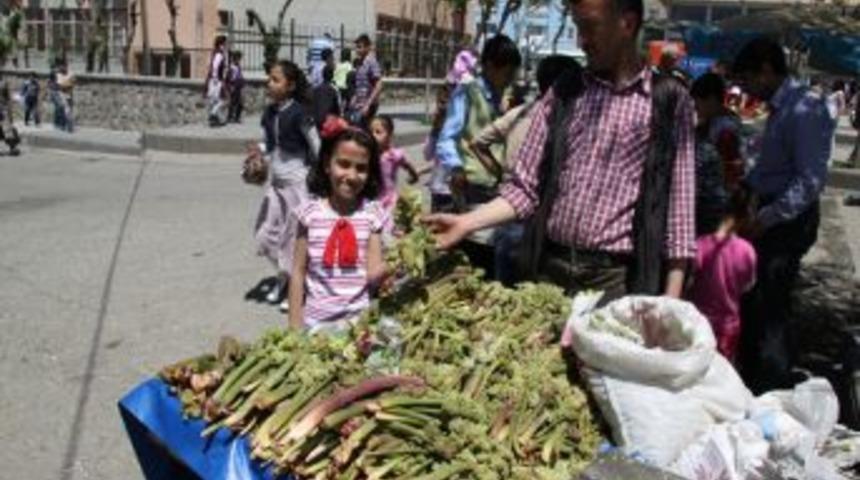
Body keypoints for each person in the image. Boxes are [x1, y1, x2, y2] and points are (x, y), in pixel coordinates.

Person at [426, 0, 696, 302]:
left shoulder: (669, 101)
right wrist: (466, 222)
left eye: (590, 27)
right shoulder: (564, 91)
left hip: (613, 282)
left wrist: (670, 302)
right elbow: (524, 189)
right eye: (578, 27)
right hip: (548, 271)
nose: (582, 40)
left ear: (627, 24)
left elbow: (679, 215)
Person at [733, 37, 836, 393]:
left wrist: (768, 218)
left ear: (766, 70)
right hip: (770, 209)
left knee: (770, 304)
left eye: (747, 80)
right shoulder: (780, 107)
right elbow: (773, 165)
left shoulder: (805, 108)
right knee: (758, 300)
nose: (745, 89)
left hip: (788, 220)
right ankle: (763, 372)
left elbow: (809, 181)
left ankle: (771, 383)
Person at [470, 55, 581, 285]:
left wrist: (500, 173)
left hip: (509, 213)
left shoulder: (520, 112)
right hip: (536, 219)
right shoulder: (564, 118)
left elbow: (478, 143)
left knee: (506, 292)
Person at [288, 127, 387, 333]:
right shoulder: (309, 214)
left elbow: (374, 273)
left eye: (361, 168)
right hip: (315, 325)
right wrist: (295, 326)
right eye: (343, 164)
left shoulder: (372, 214)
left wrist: (401, 258)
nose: (351, 175)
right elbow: (298, 272)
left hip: (360, 327)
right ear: (326, 164)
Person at [251, 60, 320, 312]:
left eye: (275, 79)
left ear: (290, 86)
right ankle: (283, 277)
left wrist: (320, 178)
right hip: (276, 185)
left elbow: (317, 146)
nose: (269, 83)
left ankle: (294, 285)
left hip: (298, 186)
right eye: (269, 78)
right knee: (265, 234)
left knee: (293, 238)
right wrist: (256, 152)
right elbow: (269, 145)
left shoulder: (300, 113)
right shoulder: (269, 113)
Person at [436, 34, 522, 208]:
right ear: (490, 66)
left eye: (513, 73)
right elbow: (446, 138)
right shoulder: (467, 93)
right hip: (472, 187)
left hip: (497, 186)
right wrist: (456, 168)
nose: (510, 79)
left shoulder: (504, 97)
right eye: (507, 73)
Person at [687, 186, 758, 364]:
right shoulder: (747, 251)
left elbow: (689, 280)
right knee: (722, 372)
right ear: (748, 216)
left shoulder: (700, 244)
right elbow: (747, 286)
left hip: (698, 322)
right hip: (728, 325)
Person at [690, 72, 744, 235]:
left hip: (716, 205)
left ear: (711, 99)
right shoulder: (713, 121)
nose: (695, 108)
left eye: (697, 103)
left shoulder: (724, 130)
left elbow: (729, 171)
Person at [369, 115, 419, 214]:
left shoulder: (394, 155)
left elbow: (407, 165)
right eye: (371, 132)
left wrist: (414, 176)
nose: (373, 135)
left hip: (389, 200)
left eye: (378, 132)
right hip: (371, 199)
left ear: (389, 135)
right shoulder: (368, 153)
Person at [425, 85, 454, 213]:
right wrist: (434, 131)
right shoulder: (438, 129)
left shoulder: (456, 131)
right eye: (439, 102)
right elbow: (428, 155)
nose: (440, 107)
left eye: (443, 102)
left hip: (450, 190)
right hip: (438, 189)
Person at [347, 34, 383, 128]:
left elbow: (378, 84)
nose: (357, 50)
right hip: (360, 103)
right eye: (357, 47)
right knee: (358, 130)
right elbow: (361, 83)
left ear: (368, 47)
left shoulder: (371, 61)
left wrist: (368, 104)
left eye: (360, 47)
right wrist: (355, 96)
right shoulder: (360, 62)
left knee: (363, 132)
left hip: (368, 104)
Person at [205, 35, 228, 127]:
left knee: (214, 100)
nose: (227, 44)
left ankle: (215, 119)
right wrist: (216, 78)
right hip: (216, 80)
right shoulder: (219, 54)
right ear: (222, 43)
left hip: (213, 79)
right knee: (222, 99)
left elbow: (209, 65)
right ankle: (213, 115)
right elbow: (215, 66)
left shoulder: (216, 52)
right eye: (225, 42)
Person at [311, 65, 341, 129]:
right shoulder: (334, 89)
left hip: (316, 122)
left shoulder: (316, 89)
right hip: (328, 124)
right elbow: (338, 108)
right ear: (332, 75)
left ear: (322, 75)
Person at [226, 50, 245, 124]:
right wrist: (230, 86)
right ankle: (230, 117)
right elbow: (228, 78)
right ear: (235, 58)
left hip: (238, 86)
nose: (239, 60)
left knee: (240, 103)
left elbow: (240, 75)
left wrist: (242, 83)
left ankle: (236, 117)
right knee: (232, 103)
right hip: (233, 85)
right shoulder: (231, 67)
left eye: (239, 58)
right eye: (238, 58)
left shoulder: (238, 66)